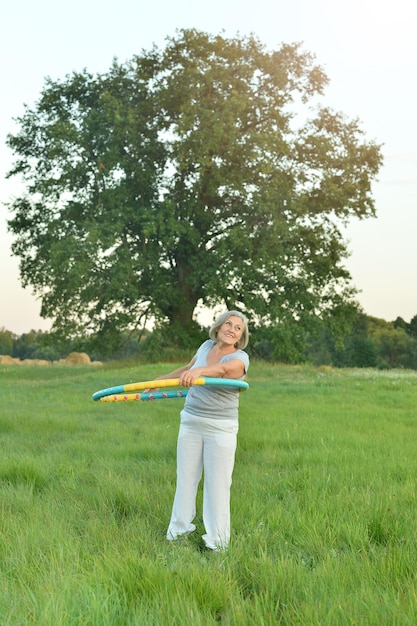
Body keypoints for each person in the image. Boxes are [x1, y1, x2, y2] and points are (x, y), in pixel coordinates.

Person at [153, 310, 250, 552]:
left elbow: (224, 372)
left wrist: (199, 373)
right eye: (228, 324)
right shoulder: (206, 346)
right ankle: (177, 533)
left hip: (220, 428)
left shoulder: (241, 358)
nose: (232, 329)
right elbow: (187, 368)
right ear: (218, 328)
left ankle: (218, 543)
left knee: (217, 485)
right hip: (191, 421)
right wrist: (155, 384)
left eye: (238, 328)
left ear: (240, 337)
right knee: (185, 479)